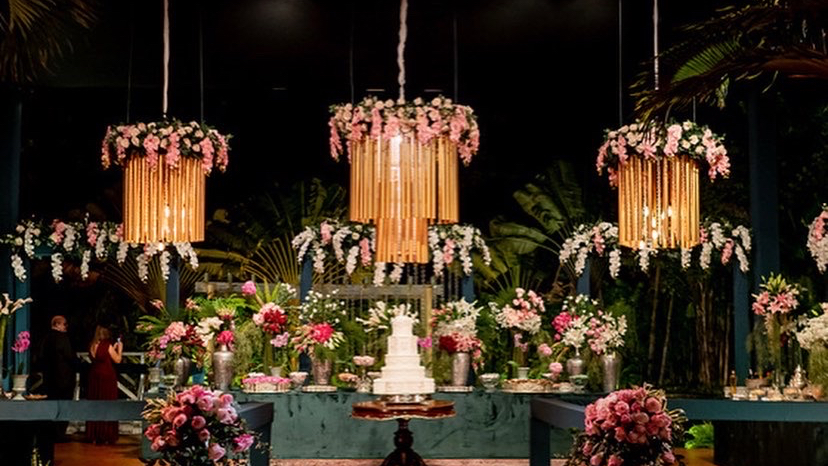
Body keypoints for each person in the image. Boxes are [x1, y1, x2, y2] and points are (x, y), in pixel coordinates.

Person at [85, 325, 122, 444]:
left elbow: (99, 356)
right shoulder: (107, 345)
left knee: (95, 403)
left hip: (94, 375)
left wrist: (112, 348)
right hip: (106, 377)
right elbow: (117, 360)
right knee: (107, 403)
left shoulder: (92, 345)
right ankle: (106, 434)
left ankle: (94, 434)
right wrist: (119, 349)